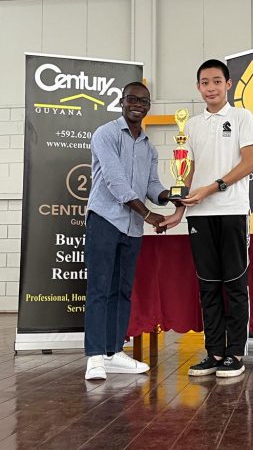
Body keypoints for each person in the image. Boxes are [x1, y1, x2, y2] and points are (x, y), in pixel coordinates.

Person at [160, 59, 253, 378]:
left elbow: (250, 163)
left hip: (231, 211)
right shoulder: (191, 125)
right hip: (199, 216)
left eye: (217, 81)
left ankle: (235, 354)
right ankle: (215, 352)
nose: (211, 88)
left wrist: (213, 188)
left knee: (234, 285)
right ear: (198, 87)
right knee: (208, 287)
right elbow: (186, 173)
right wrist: (179, 210)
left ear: (228, 85)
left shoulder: (243, 117)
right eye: (205, 82)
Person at [84, 81, 170, 381]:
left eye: (143, 100)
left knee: (122, 291)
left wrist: (171, 196)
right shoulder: (106, 134)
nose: (137, 104)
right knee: (99, 289)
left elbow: (151, 186)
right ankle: (94, 357)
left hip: (132, 228)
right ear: (122, 102)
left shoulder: (149, 146)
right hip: (105, 219)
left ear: (148, 106)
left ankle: (113, 352)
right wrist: (149, 214)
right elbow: (115, 181)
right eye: (132, 99)